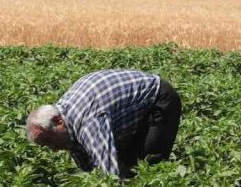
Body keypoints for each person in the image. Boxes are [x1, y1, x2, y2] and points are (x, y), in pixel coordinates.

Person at [26, 69, 182, 178]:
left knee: (148, 166)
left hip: (157, 98)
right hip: (128, 110)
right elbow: (84, 159)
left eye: (49, 140)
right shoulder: (63, 115)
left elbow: (109, 176)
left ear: (58, 121)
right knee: (126, 162)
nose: (53, 149)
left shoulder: (89, 124)